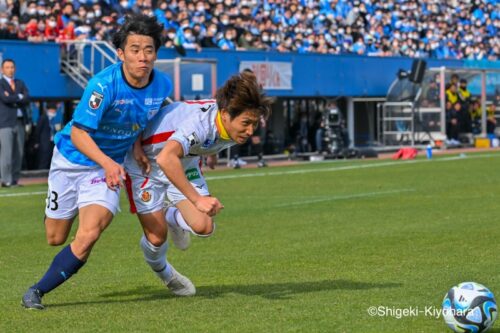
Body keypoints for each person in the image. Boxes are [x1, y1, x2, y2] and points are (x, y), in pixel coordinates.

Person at [21, 14, 172, 310]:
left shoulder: (162, 85)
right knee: (55, 237)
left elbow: (143, 118)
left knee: (89, 234)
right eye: (135, 50)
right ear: (121, 53)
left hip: (106, 168)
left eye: (149, 50)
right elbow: (78, 134)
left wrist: (136, 147)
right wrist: (106, 161)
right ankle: (63, 206)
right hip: (71, 158)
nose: (143, 57)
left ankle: (36, 292)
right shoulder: (103, 86)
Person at [124, 71, 273, 295]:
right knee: (156, 238)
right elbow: (166, 157)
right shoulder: (201, 124)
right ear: (225, 115)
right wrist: (197, 199)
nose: (250, 131)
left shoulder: (226, 117)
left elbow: (203, 139)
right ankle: (165, 273)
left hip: (183, 161)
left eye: (254, 124)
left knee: (204, 226)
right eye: (246, 123)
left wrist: (209, 151)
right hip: (146, 164)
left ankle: (171, 216)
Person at [0, 58, 30, 187]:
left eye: (12, 67)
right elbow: (5, 99)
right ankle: (6, 180)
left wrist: (13, 97)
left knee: (19, 152)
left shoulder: (20, 82)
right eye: (7, 67)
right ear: (2, 69)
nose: (10, 70)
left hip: (20, 121)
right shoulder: (0, 84)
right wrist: (19, 97)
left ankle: (15, 179)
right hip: (5, 122)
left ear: (15, 69)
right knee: (6, 153)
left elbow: (27, 98)